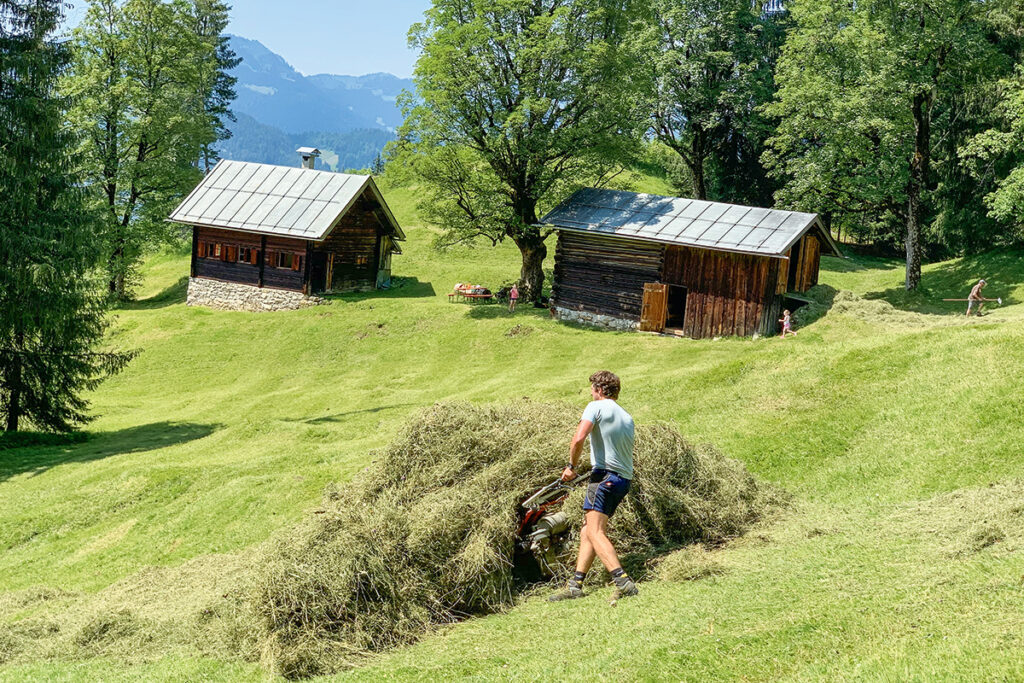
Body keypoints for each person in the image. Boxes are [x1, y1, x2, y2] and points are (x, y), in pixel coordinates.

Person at [549, 371, 638, 602]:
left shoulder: (595, 407)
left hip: (604, 478)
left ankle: (622, 580)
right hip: (623, 480)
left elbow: (578, 438)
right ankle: (576, 585)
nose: (590, 392)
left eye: (592, 388)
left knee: (595, 531)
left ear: (599, 389)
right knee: (588, 529)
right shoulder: (626, 416)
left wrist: (571, 466)